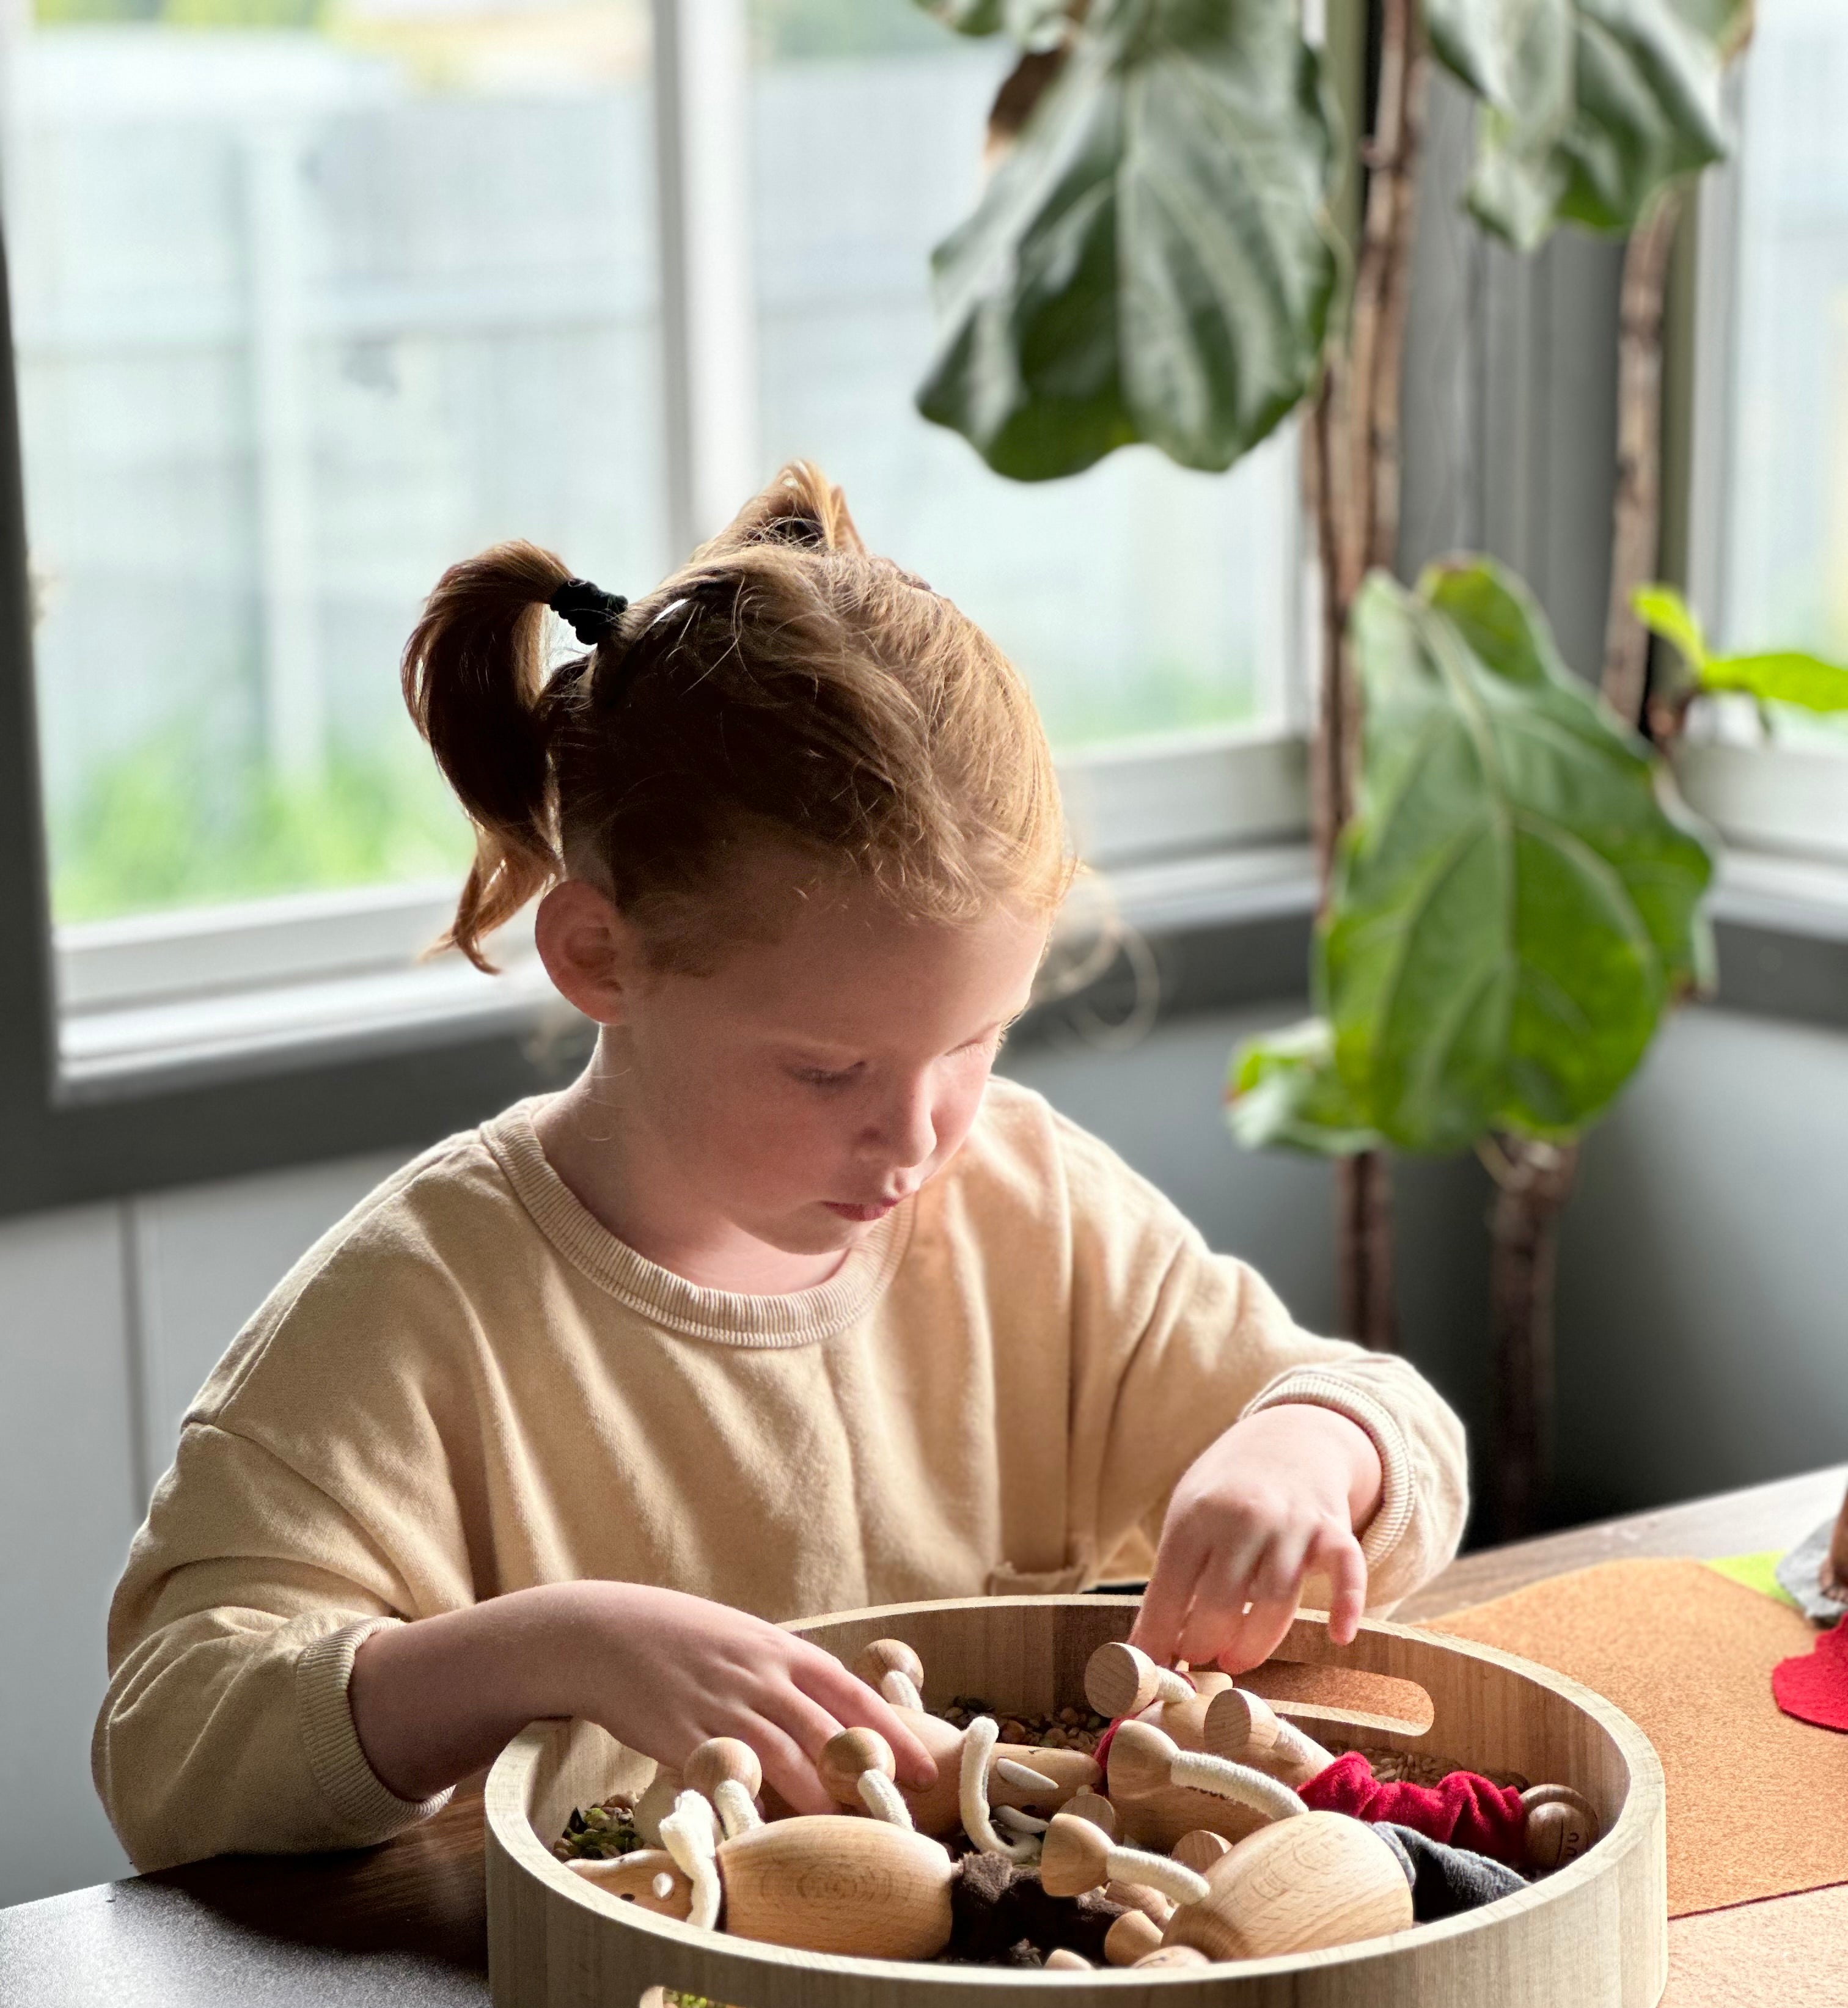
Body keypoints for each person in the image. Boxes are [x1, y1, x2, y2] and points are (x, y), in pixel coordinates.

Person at [95, 464, 1467, 1871]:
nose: (919, 1133)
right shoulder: (427, 1302)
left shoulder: (1024, 1202)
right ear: (599, 957)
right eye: (828, 1071)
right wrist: (547, 1646)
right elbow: (168, 1742)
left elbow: (1386, 1416)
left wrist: (1306, 1452)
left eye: (974, 1043)